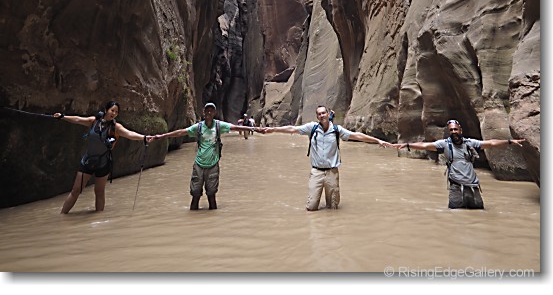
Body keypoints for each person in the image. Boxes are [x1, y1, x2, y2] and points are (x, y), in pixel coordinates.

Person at [263, 104, 395, 211]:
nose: (321, 115)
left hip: (332, 172)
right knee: (311, 207)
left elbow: (357, 136)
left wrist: (378, 141)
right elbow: (292, 129)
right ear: (317, 116)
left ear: (328, 114)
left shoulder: (337, 130)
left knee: (333, 207)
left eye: (323, 113)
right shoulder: (312, 128)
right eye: (319, 114)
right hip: (316, 172)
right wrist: (273, 130)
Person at [154, 102, 264, 210]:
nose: (209, 112)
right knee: (195, 195)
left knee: (211, 196)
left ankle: (212, 219)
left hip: (213, 165)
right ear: (203, 112)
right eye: (207, 110)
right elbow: (182, 132)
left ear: (215, 113)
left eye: (211, 110)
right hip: (199, 165)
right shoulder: (198, 127)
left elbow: (235, 128)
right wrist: (163, 136)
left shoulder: (218, 125)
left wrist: (254, 129)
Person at [53, 100, 154, 214]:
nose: (113, 113)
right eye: (112, 110)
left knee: (99, 192)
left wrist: (144, 137)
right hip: (88, 161)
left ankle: (99, 218)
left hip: (103, 163)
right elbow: (78, 119)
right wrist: (62, 116)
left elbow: (129, 134)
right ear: (106, 110)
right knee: (76, 190)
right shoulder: (93, 121)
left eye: (116, 112)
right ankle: (62, 216)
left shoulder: (116, 127)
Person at [399, 119, 525, 209]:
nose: (454, 132)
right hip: (456, 187)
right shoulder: (444, 144)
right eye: (451, 130)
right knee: (455, 215)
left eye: (455, 129)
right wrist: (408, 145)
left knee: (479, 213)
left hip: (473, 186)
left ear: (460, 130)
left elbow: (491, 143)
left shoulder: (470, 143)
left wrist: (509, 141)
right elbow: (425, 145)